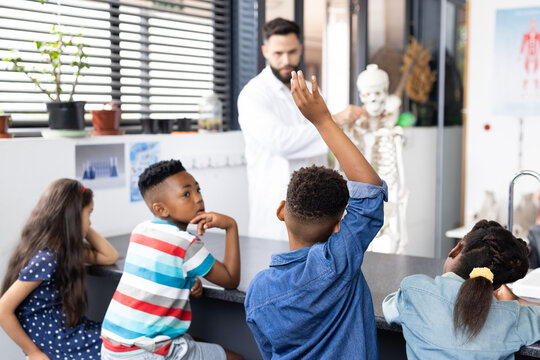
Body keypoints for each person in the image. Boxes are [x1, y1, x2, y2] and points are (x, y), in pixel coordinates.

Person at [244, 71, 387, 359]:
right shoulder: (339, 262)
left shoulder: (257, 290)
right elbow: (369, 191)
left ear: (282, 211)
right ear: (338, 227)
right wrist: (324, 121)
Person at [237, 17, 367, 241]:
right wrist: (332, 120)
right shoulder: (253, 94)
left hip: (317, 204)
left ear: (300, 49)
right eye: (278, 53)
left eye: (291, 51)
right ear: (265, 51)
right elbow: (281, 142)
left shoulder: (310, 89)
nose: (286, 59)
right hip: (275, 208)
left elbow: (329, 139)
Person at [100, 159, 242, 360]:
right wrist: (231, 226)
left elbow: (161, 272)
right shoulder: (186, 243)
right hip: (145, 352)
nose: (198, 199)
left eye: (198, 190)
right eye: (186, 194)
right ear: (161, 209)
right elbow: (230, 278)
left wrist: (190, 280)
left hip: (111, 347)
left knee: (194, 340)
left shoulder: (140, 230)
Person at [383, 219, 540, 359]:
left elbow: (389, 307)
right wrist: (517, 301)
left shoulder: (415, 291)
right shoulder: (512, 317)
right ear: (497, 286)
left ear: (456, 249)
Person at [0, 179, 119, 360]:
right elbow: (2, 310)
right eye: (90, 213)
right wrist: (34, 353)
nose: (91, 222)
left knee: (117, 334)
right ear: (73, 216)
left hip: (66, 333)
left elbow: (110, 256)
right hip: (60, 343)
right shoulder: (47, 259)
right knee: (123, 345)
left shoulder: (63, 251)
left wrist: (82, 225)